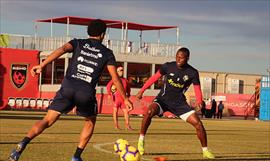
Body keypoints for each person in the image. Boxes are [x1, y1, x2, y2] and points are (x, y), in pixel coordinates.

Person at [8, 19, 133, 161]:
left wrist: (42, 65)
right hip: (85, 92)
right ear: (103, 34)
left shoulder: (77, 43)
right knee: (90, 121)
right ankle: (76, 156)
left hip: (67, 88)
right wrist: (126, 98)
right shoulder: (107, 53)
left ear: (88, 32)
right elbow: (116, 79)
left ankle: (22, 143)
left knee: (47, 120)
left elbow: (62, 49)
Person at [136, 47, 215, 159]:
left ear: (187, 58)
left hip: (179, 104)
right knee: (149, 111)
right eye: (177, 56)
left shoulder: (192, 72)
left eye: (181, 58)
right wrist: (142, 90)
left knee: (198, 124)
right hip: (162, 100)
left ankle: (205, 151)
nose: (178, 59)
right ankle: (141, 140)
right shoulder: (168, 66)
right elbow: (153, 78)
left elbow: (197, 88)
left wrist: (199, 101)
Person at [106, 66, 133, 130]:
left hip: (123, 99)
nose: (122, 71)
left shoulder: (125, 80)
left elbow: (128, 89)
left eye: (122, 70)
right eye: (120, 70)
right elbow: (108, 86)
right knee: (115, 111)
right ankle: (116, 126)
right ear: (117, 72)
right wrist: (109, 94)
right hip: (116, 98)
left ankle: (127, 126)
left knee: (126, 112)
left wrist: (128, 96)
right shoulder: (115, 79)